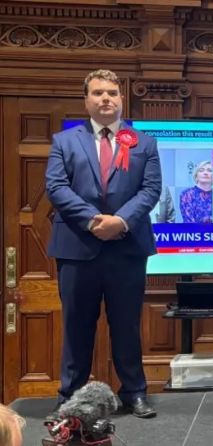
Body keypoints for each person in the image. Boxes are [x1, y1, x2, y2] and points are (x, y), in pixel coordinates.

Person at [45, 69, 160, 418]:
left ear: (122, 99)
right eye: (98, 93)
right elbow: (56, 187)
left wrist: (120, 222)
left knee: (126, 325)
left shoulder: (145, 143)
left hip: (127, 248)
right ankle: (69, 399)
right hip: (77, 248)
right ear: (86, 100)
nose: (106, 98)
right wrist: (95, 221)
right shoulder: (64, 142)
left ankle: (134, 393)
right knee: (77, 326)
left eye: (112, 92)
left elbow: (151, 190)